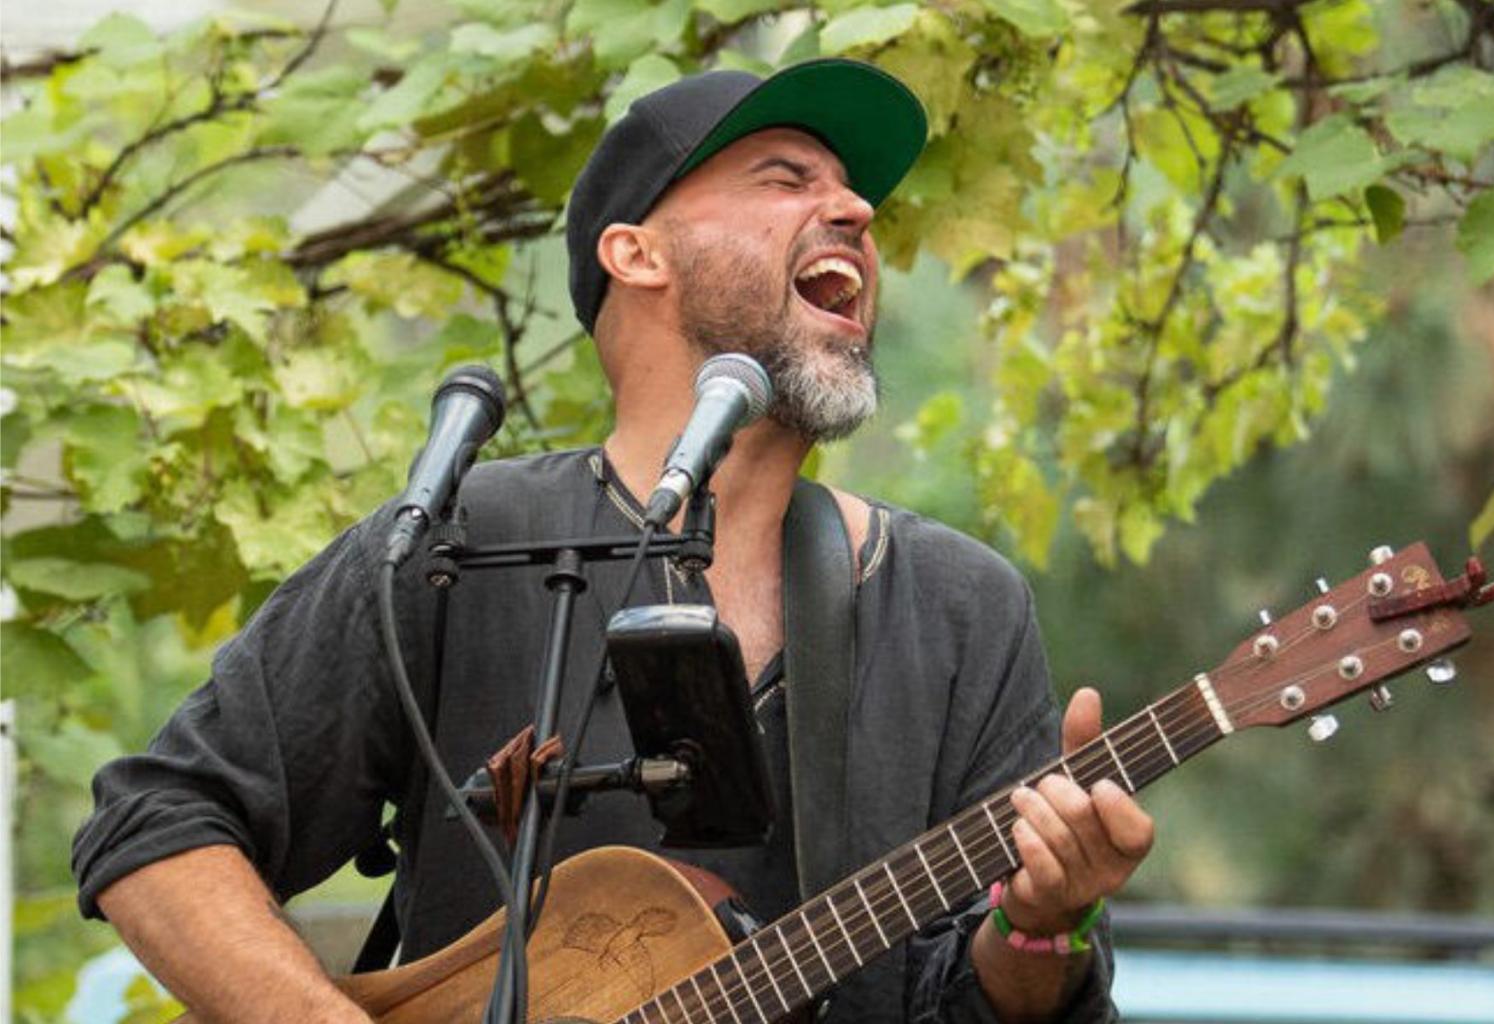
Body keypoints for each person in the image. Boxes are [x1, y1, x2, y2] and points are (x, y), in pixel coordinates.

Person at [72, 58, 1154, 1023]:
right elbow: (157, 822)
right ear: (636, 252)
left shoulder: (961, 605)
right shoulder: (461, 538)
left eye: (852, 190)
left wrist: (1040, 928)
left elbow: (988, 999)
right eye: (785, 178)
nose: (858, 210)